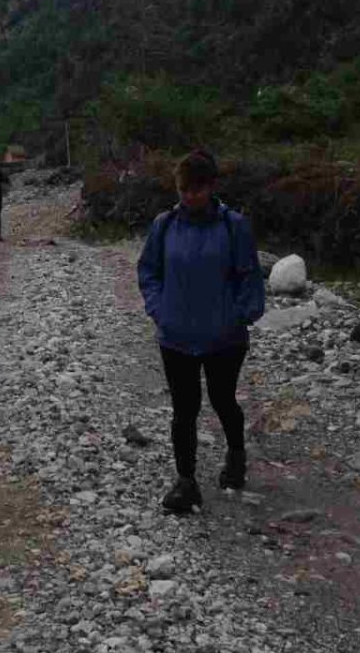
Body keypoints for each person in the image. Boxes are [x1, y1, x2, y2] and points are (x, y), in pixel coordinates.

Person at [136, 149, 264, 513]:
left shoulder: (233, 225)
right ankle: (186, 482)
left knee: (224, 400)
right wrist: (159, 309)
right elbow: (148, 271)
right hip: (175, 337)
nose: (189, 196)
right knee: (184, 410)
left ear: (212, 187)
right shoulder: (164, 225)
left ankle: (236, 456)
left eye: (196, 189)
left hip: (224, 338)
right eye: (183, 189)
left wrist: (241, 315)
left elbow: (249, 277)